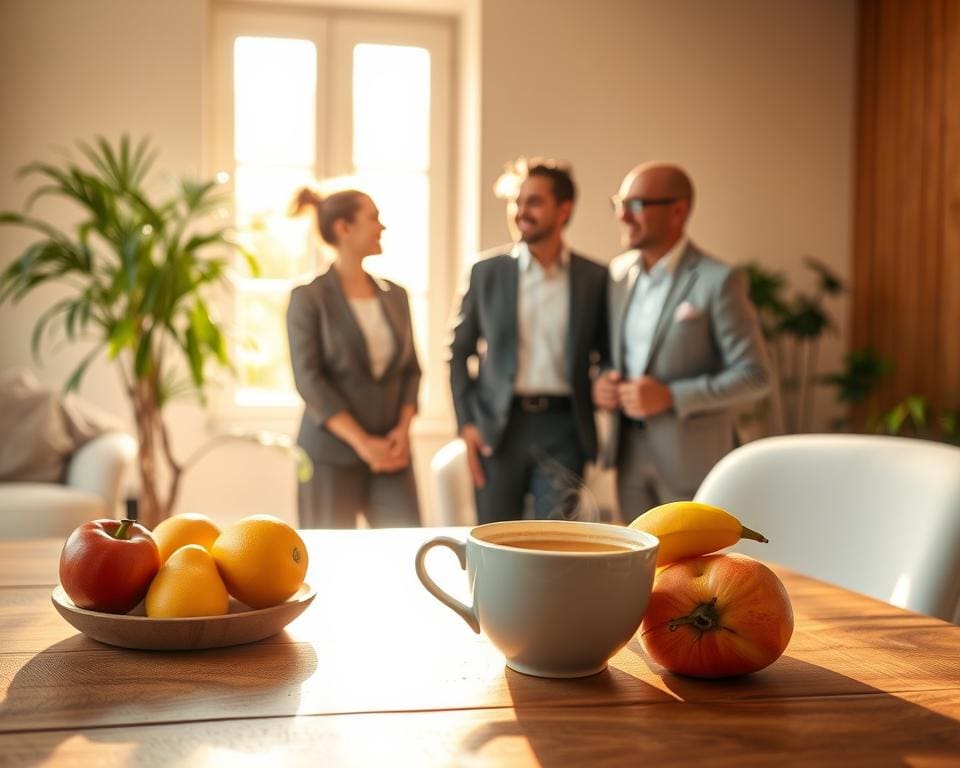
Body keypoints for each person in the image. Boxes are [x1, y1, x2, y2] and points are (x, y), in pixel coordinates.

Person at [593, 162, 771, 521]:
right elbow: (614, 358)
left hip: (692, 461)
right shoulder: (616, 276)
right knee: (635, 570)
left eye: (638, 204)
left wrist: (671, 396)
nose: (623, 215)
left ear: (678, 210)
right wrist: (602, 383)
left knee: (691, 572)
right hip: (627, 458)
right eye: (619, 203)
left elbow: (754, 376)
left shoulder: (719, 281)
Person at [449, 158, 608, 523]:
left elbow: (608, 353)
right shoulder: (485, 272)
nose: (520, 212)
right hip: (498, 428)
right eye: (516, 202)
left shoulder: (594, 278)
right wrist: (467, 423)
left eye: (533, 202)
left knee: (555, 542)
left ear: (563, 209)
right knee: (494, 539)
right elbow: (458, 352)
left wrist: (605, 379)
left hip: (565, 429)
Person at [287, 188, 421, 528]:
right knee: (330, 560)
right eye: (373, 218)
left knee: (405, 552)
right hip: (329, 454)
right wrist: (363, 444)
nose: (382, 226)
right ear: (344, 228)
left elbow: (411, 370)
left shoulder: (397, 296)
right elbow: (309, 379)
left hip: (393, 454)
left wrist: (402, 432)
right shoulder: (309, 298)